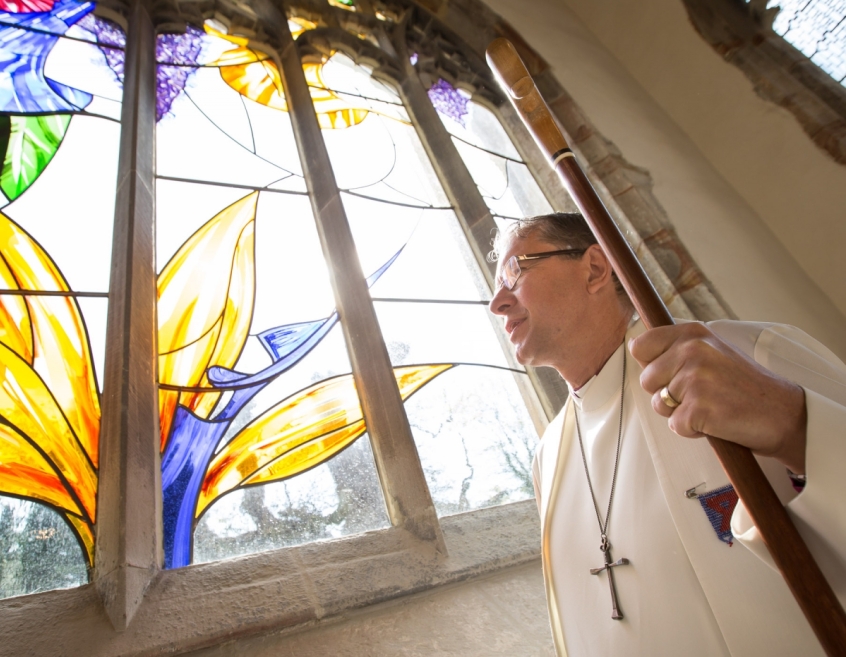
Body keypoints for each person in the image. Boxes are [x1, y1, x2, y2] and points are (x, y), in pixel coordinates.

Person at [487, 212, 846, 656]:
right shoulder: (548, 459)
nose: (497, 303)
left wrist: (794, 424)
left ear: (595, 269)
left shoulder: (746, 354)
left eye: (514, 272)